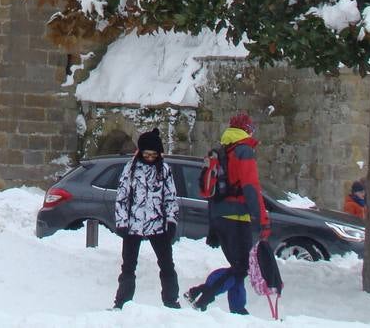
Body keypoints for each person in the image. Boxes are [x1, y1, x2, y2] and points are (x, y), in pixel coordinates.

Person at [185, 111, 269, 314]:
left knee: (237, 266)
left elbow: (213, 194)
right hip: (237, 218)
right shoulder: (244, 151)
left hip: (221, 217)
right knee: (242, 267)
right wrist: (262, 219)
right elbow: (251, 187)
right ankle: (202, 295)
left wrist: (213, 226)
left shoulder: (223, 151)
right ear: (247, 130)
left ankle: (238, 309)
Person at [112, 128, 180, 310]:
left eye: (153, 155)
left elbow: (170, 198)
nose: (150, 158)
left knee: (167, 264)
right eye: (146, 154)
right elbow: (122, 197)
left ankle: (171, 302)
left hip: (157, 224)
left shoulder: (164, 170)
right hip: (133, 225)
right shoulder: (131, 169)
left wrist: (171, 221)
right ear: (140, 152)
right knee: (128, 266)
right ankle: (122, 303)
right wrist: (121, 222)